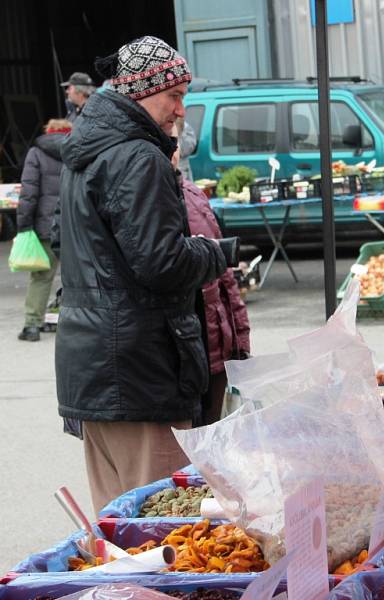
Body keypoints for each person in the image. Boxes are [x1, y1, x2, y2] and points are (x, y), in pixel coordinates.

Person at [53, 36, 239, 514]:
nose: (180, 110)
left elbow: (67, 242)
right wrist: (212, 253)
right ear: (140, 91)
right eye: (173, 96)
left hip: (95, 372)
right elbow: (163, 264)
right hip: (140, 374)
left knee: (116, 528)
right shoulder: (137, 156)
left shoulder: (86, 152)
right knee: (161, 525)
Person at [172, 121, 251, 425]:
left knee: (218, 438)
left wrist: (240, 338)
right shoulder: (149, 200)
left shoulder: (193, 194)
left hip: (218, 345)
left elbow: (226, 278)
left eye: (175, 143)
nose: (171, 152)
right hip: (182, 355)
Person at [16, 118, 72, 342]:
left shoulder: (36, 153)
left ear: (48, 132)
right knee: (76, 278)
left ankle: (32, 325)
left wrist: (23, 225)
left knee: (41, 277)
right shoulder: (77, 150)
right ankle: (69, 322)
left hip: (45, 224)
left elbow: (29, 192)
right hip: (74, 225)